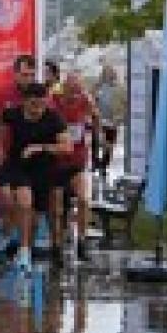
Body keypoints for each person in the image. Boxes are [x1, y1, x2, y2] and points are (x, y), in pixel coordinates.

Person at [0, 82, 71, 273]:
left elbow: (67, 147)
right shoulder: (13, 113)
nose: (38, 110)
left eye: (41, 105)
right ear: (24, 102)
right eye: (33, 105)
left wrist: (40, 147)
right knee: (24, 202)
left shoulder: (53, 118)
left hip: (44, 169)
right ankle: (23, 251)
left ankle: (25, 248)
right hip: (18, 165)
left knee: (36, 217)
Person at [0, 53, 38, 252]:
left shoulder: (37, 97)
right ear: (14, 74)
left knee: (19, 201)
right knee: (7, 196)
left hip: (23, 156)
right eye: (24, 74)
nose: (28, 79)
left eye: (31, 75)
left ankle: (1, 235)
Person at [52, 71, 98, 264]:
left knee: (84, 199)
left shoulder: (85, 101)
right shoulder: (53, 102)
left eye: (77, 89)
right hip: (56, 162)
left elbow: (96, 123)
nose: (74, 94)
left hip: (77, 161)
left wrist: (94, 129)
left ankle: (81, 242)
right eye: (71, 89)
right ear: (64, 87)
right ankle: (57, 246)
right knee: (57, 209)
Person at [92, 64, 124, 180]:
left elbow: (124, 104)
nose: (108, 74)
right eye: (106, 72)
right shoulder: (97, 86)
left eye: (110, 72)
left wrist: (119, 118)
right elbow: (91, 100)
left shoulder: (119, 88)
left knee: (109, 144)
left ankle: (104, 165)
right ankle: (95, 163)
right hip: (98, 120)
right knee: (96, 142)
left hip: (112, 120)